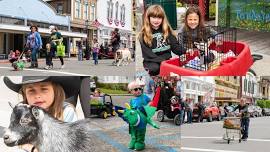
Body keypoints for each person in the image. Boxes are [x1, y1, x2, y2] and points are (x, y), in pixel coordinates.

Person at [3, 76, 79, 152]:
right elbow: (16, 136)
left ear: (56, 91)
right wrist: (31, 148)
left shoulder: (66, 111)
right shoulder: (22, 111)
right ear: (25, 94)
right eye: (31, 90)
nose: (37, 96)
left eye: (44, 89)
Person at [138, 5, 187, 76]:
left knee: (179, 67)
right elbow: (148, 54)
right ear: (148, 18)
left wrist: (186, 51)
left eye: (159, 17)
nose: (156, 20)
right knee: (155, 68)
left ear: (163, 18)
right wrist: (162, 62)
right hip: (151, 60)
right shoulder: (143, 34)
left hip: (166, 60)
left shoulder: (167, 30)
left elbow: (175, 47)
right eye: (153, 17)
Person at [127, 81, 151, 150]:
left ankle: (140, 142)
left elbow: (151, 103)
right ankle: (134, 140)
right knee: (133, 130)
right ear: (131, 91)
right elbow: (130, 109)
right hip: (134, 120)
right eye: (135, 89)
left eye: (140, 89)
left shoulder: (145, 97)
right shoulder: (132, 100)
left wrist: (149, 106)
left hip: (142, 119)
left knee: (141, 131)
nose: (138, 91)